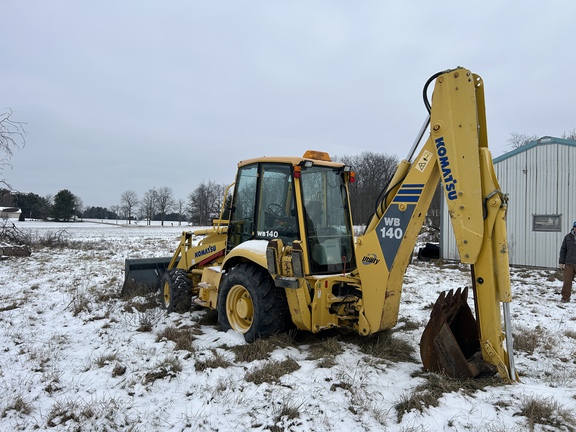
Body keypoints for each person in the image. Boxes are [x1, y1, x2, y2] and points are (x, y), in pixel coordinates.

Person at [559, 221, 576, 302]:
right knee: (567, 282)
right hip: (569, 263)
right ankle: (565, 297)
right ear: (573, 228)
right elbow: (563, 250)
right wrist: (561, 262)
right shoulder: (568, 237)